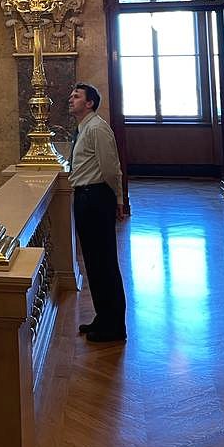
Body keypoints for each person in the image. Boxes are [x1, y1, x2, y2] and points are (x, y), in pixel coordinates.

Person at [67, 83, 127, 343]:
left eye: (76, 96)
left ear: (89, 103)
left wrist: (118, 199)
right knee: (93, 262)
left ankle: (115, 326)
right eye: (72, 95)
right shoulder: (84, 128)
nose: (71, 99)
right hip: (85, 197)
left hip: (96, 197)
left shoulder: (97, 128)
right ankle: (103, 317)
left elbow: (111, 168)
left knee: (105, 262)